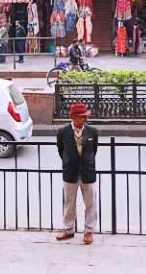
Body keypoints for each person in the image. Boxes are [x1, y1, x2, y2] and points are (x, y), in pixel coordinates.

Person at [55, 103, 99, 245]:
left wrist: (86, 162)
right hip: (70, 172)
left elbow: (94, 150)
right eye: (82, 117)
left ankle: (89, 231)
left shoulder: (93, 132)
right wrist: (69, 162)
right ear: (73, 117)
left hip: (87, 172)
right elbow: (61, 150)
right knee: (69, 203)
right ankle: (68, 230)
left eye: (85, 116)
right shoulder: (63, 132)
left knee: (91, 203)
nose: (85, 119)